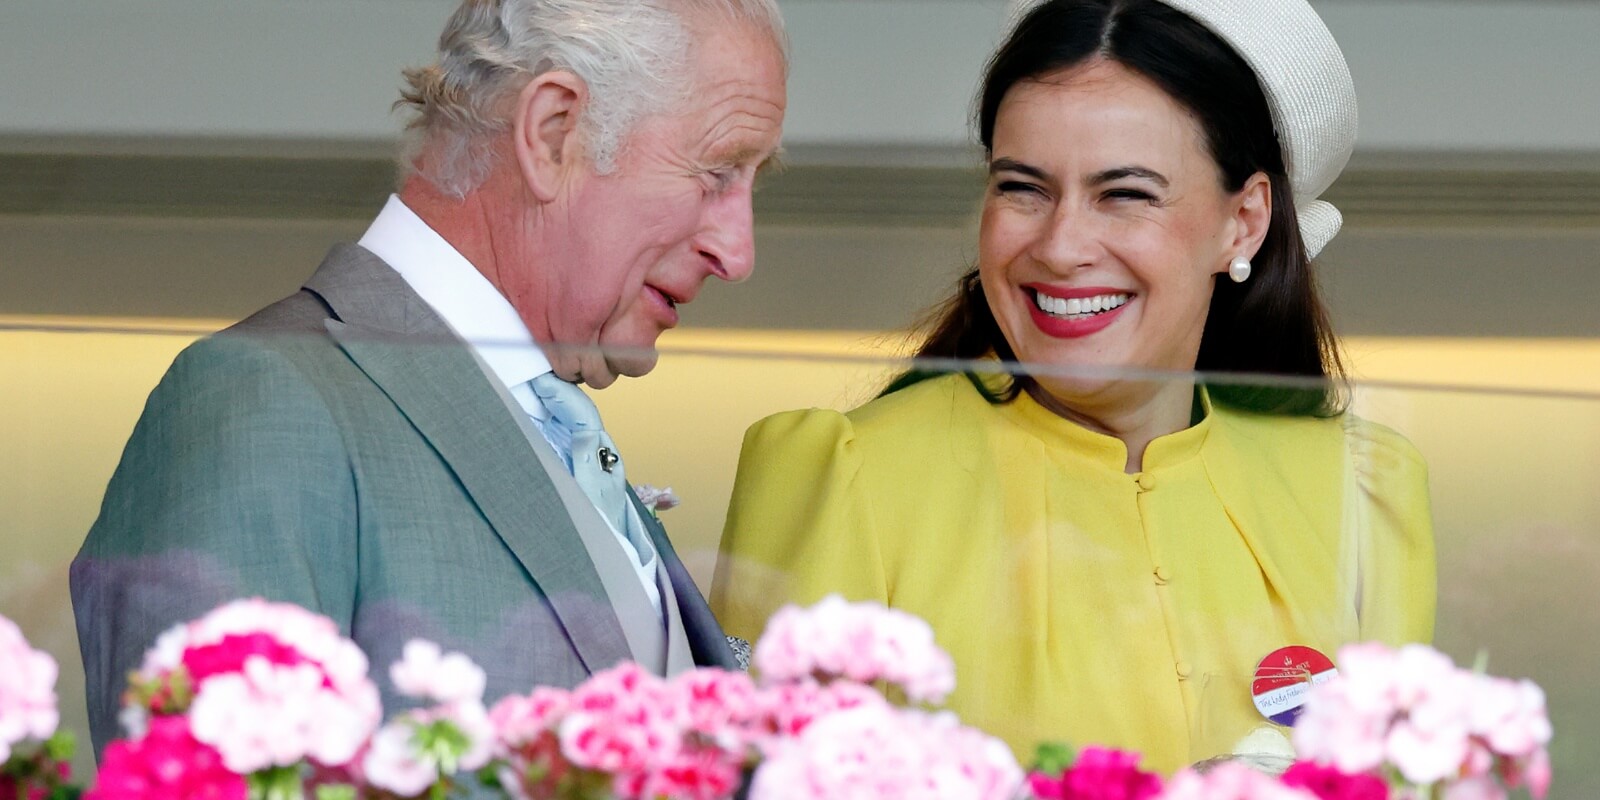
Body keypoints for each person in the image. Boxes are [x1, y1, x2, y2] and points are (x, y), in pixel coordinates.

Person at [712, 0, 1433, 773]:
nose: (1060, 247)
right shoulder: (840, 472)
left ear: (1244, 222)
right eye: (1023, 187)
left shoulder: (1360, 490)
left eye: (1125, 194)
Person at [71, 0, 787, 755]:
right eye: (716, 173)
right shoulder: (264, 400)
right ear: (551, 132)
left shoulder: (551, 421)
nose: (737, 254)